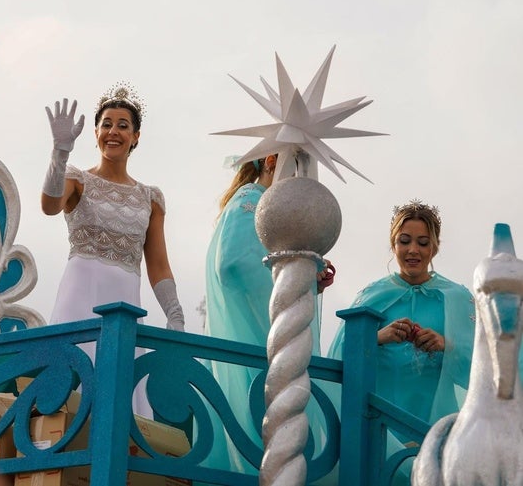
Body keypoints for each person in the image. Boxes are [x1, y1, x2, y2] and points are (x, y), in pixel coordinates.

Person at [40, 85, 185, 414]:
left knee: (119, 402)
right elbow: (49, 206)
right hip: (77, 304)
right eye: (106, 124)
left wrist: (174, 314)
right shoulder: (76, 179)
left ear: (135, 136)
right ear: (95, 133)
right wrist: (60, 152)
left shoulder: (151, 198)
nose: (113, 131)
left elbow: (158, 264)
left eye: (122, 125)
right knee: (67, 399)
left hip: (124, 310)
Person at [200, 154, 335, 476]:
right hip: (252, 339)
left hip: (271, 339)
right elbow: (232, 265)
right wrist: (289, 283)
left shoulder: (266, 206)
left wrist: (306, 281)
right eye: (299, 165)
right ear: (274, 160)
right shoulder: (252, 201)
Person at [328, 199, 475, 431]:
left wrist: (445, 344)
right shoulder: (372, 296)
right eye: (404, 241)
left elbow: (481, 368)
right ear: (393, 245)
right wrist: (377, 338)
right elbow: (338, 356)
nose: (413, 250)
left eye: (423, 242)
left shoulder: (456, 299)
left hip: (437, 424)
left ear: (434, 247)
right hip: (379, 423)